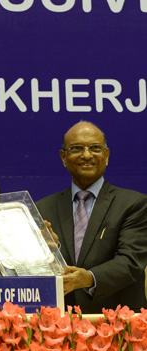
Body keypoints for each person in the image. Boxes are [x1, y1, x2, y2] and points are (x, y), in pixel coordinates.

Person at [36, 121, 147, 313]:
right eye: (77, 148)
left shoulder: (134, 204)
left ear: (106, 155)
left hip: (119, 324)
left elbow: (131, 262)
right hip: (59, 324)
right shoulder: (42, 208)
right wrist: (53, 252)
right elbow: (34, 271)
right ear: (64, 157)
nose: (87, 155)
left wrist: (88, 278)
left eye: (95, 148)